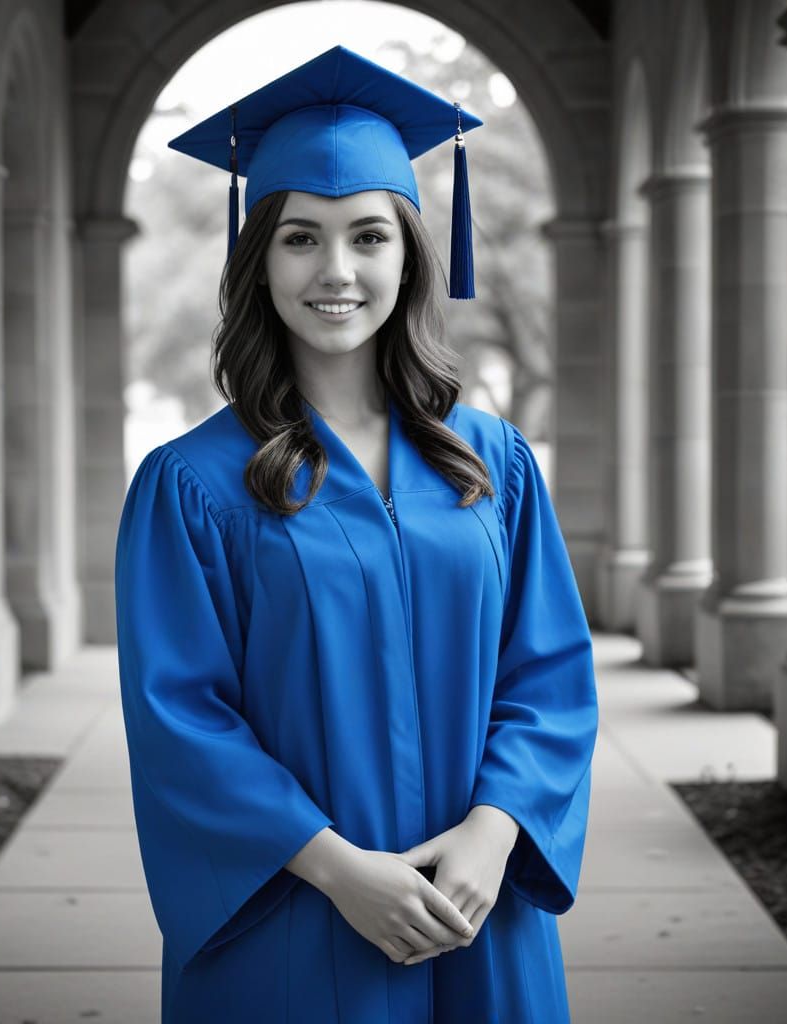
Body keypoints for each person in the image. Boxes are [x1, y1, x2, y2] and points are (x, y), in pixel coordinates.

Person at [114, 45, 599, 1023]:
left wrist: (497, 829)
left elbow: (547, 674)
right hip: (295, 917)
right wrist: (340, 871)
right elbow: (182, 722)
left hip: (478, 909)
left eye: (368, 236)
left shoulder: (492, 462)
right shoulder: (191, 486)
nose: (335, 271)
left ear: (409, 255)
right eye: (300, 237)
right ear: (258, 260)